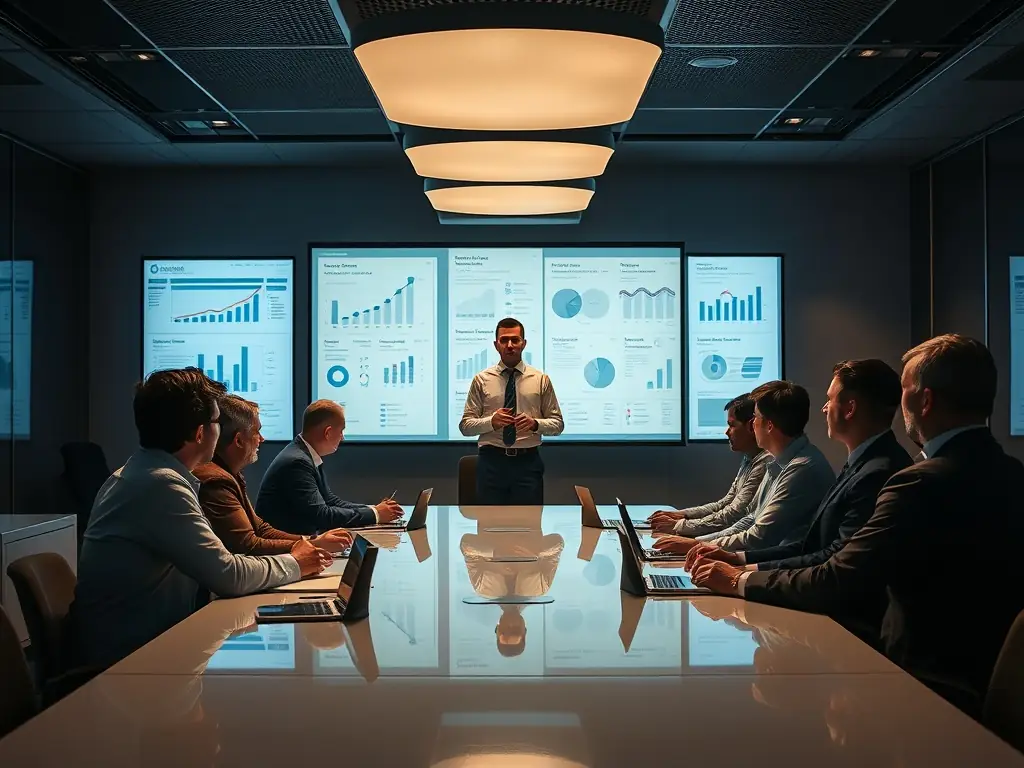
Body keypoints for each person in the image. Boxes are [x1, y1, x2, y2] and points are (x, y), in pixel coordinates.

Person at [691, 335, 1024, 710]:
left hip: (915, 689)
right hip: (974, 683)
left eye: (905, 390)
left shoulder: (916, 481)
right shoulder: (1014, 474)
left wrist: (739, 579)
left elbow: (841, 574)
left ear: (925, 400)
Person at [70, 369, 325, 670]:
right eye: (218, 421)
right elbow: (228, 575)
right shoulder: (160, 485)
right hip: (130, 662)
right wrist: (296, 562)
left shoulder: (141, 474)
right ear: (201, 433)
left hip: (145, 645)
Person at [686, 359, 911, 573]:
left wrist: (740, 575)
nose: (824, 409)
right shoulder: (860, 463)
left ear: (849, 409)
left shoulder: (871, 471)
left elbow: (832, 559)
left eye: (830, 399)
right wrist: (738, 560)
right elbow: (807, 544)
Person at [655, 380, 835, 555]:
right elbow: (749, 518)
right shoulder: (779, 462)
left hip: (779, 567)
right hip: (766, 561)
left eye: (755, 418)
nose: (752, 425)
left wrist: (695, 544)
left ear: (769, 425)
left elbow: (758, 537)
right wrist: (698, 543)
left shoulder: (801, 469)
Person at [194, 395, 353, 555]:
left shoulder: (229, 473)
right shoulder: (217, 480)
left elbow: (261, 528)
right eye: (257, 432)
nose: (262, 439)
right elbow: (249, 544)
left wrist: (311, 542)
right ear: (239, 440)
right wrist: (313, 545)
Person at [256, 400, 403, 535]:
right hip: (283, 549)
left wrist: (373, 509)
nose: (343, 437)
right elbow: (322, 516)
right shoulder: (297, 462)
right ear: (328, 432)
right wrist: (376, 514)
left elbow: (330, 501)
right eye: (341, 431)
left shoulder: (304, 453)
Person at [459, 317, 564, 505]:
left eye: (515, 340)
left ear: (523, 343)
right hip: (490, 463)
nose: (509, 345)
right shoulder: (481, 379)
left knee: (528, 528)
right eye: (504, 340)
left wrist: (535, 424)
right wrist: (491, 421)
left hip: (528, 463)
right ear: (496, 345)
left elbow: (557, 424)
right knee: (489, 527)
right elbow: (466, 427)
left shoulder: (541, 379)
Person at [647, 393, 771, 534]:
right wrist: (682, 515)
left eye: (732, 425)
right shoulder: (749, 458)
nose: (727, 432)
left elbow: (733, 514)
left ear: (751, 426)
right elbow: (725, 503)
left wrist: (680, 526)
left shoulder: (765, 462)